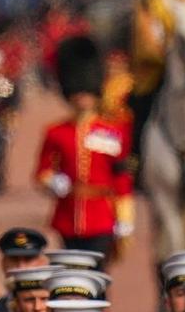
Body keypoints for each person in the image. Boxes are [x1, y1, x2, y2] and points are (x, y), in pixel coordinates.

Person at [34, 37, 135, 261]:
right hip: (67, 217)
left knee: (97, 273)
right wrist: (52, 181)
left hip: (102, 217)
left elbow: (121, 176)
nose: (82, 97)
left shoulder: (113, 131)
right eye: (77, 92)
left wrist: (125, 216)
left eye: (86, 92)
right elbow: (41, 171)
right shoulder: (56, 132)